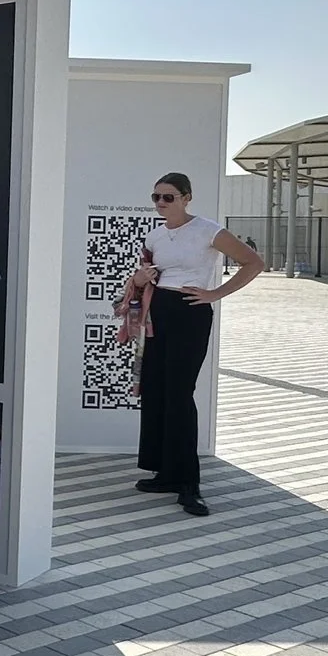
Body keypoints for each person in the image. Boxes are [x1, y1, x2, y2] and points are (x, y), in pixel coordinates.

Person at [119, 172, 265, 518]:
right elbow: (144, 277)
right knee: (156, 390)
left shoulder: (207, 230)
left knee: (181, 394)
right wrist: (139, 279)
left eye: (168, 197)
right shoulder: (155, 235)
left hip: (190, 312)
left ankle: (189, 484)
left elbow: (254, 263)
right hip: (159, 312)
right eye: (156, 197)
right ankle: (165, 473)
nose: (160, 203)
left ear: (187, 198)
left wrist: (216, 293)